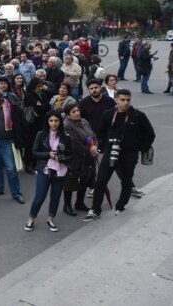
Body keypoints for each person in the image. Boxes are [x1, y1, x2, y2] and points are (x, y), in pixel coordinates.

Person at [84, 89, 155, 221]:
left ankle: (120, 206)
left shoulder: (138, 116)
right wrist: (104, 146)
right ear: (116, 100)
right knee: (100, 181)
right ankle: (95, 209)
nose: (126, 103)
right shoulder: (108, 114)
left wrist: (138, 148)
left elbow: (150, 134)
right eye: (122, 100)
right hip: (111, 152)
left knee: (127, 181)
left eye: (128, 100)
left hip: (129, 154)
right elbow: (101, 132)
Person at [24, 110, 74, 233]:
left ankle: (50, 219)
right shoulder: (41, 134)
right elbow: (34, 152)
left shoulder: (66, 136)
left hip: (60, 170)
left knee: (55, 197)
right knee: (39, 197)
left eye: (56, 121)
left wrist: (62, 158)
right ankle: (31, 218)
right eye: (51, 121)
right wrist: (48, 154)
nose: (53, 123)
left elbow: (71, 155)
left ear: (60, 122)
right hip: (44, 169)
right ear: (47, 122)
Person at [0, 88, 27, 204]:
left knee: (11, 169)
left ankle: (16, 194)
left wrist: (20, 141)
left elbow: (23, 125)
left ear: (1, 97)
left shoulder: (13, 109)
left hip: (8, 142)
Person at [62, 103, 98, 217]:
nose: (77, 113)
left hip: (88, 158)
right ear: (68, 115)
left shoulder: (84, 121)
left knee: (85, 179)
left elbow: (93, 135)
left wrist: (95, 146)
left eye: (77, 110)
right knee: (70, 183)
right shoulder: (67, 125)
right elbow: (75, 145)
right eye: (73, 112)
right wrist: (90, 150)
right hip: (74, 160)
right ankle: (67, 205)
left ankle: (79, 203)